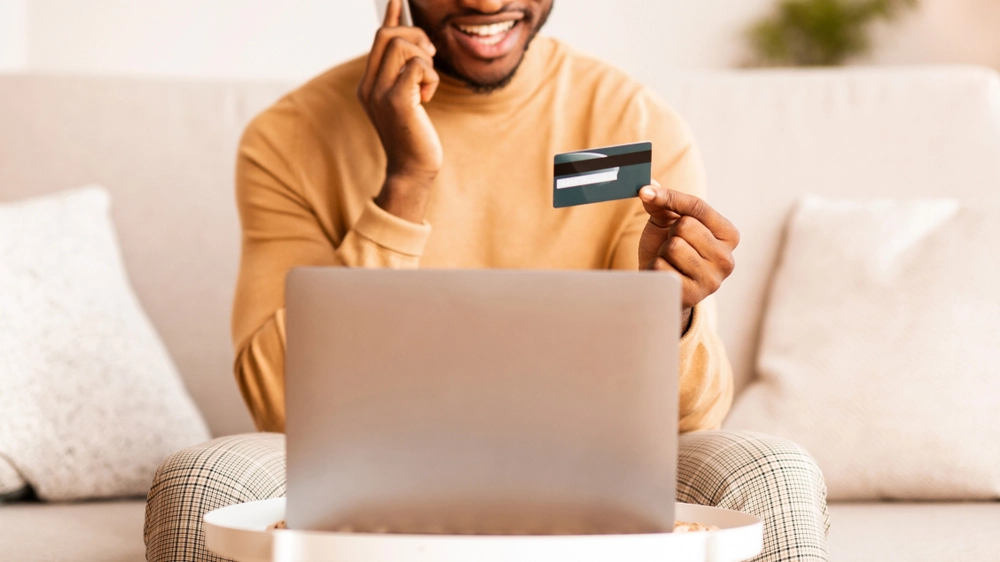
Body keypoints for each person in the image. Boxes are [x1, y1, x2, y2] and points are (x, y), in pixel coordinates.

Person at [144, 1, 830, 560]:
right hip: (363, 468)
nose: (486, 1)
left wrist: (670, 313)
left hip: (597, 467)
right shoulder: (289, 137)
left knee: (771, 473)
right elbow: (279, 406)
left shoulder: (633, 124)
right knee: (204, 481)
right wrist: (406, 179)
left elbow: (689, 422)